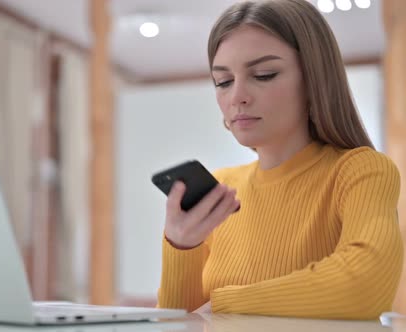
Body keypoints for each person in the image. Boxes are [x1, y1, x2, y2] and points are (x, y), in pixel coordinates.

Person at [157, 0, 403, 320]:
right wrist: (180, 246)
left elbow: (364, 287)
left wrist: (223, 304)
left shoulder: (362, 171)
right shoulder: (222, 189)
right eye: (223, 81)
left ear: (314, 79)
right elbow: (180, 323)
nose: (237, 97)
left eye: (264, 74)